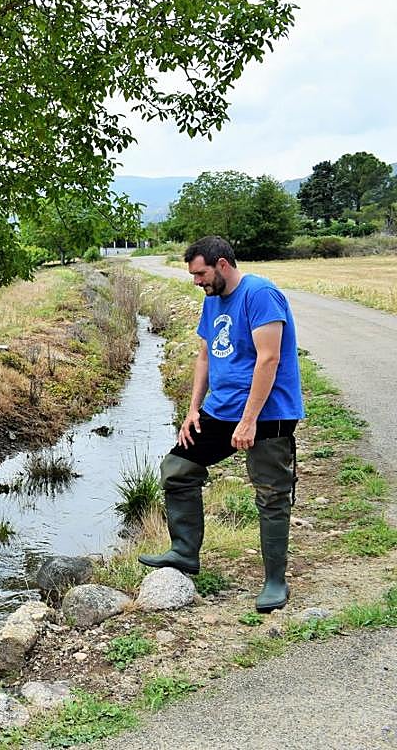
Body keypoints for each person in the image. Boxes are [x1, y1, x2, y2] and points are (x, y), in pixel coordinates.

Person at [139, 235, 304, 613]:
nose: (196, 281)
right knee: (177, 469)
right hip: (221, 409)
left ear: (222, 265)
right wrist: (193, 409)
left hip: (268, 414)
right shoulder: (212, 300)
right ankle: (184, 551)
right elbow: (204, 356)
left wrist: (249, 422)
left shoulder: (260, 294)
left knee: (272, 495)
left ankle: (275, 581)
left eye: (200, 273)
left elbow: (268, 360)